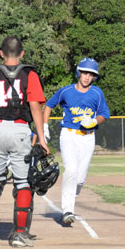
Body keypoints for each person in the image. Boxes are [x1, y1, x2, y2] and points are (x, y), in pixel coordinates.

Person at [0, 36, 49, 248]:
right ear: (22, 53)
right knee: (23, 182)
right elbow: (35, 107)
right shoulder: (30, 74)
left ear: (1, 53)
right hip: (19, 130)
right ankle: (19, 234)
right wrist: (41, 138)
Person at [42, 57, 110, 226]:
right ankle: (68, 210)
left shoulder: (97, 93)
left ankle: (71, 199)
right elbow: (49, 105)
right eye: (84, 73)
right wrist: (44, 126)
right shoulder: (66, 91)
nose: (87, 77)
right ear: (78, 73)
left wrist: (94, 121)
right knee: (71, 170)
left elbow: (104, 114)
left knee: (79, 179)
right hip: (69, 135)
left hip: (88, 137)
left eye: (91, 74)